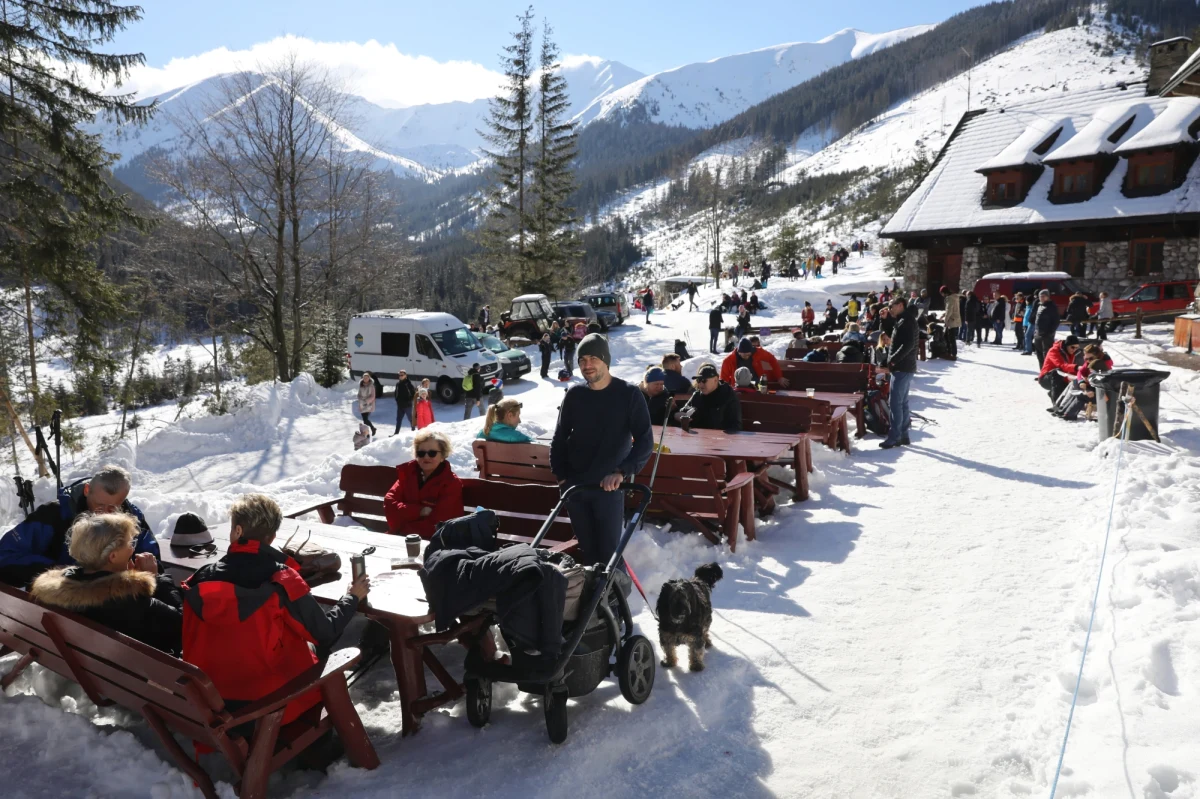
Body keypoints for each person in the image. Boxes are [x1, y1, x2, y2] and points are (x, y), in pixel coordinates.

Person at [182, 494, 368, 726]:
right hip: (270, 706)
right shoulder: (281, 579)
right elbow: (325, 633)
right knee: (317, 646)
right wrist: (352, 597)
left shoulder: (200, 578)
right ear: (271, 537)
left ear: (237, 531)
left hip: (210, 701)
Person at [550, 334, 652, 567]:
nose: (587, 365)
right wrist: (562, 477)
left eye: (593, 358)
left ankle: (615, 591)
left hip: (608, 489)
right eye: (582, 360)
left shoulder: (628, 394)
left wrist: (621, 471)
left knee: (609, 555)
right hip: (575, 488)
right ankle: (592, 592)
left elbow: (645, 441)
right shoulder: (575, 395)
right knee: (588, 554)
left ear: (606, 360)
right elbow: (559, 438)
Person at [31, 513, 183, 655]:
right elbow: (183, 626)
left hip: (81, 666)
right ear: (113, 556)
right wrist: (156, 579)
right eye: (130, 543)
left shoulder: (59, 590)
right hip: (129, 670)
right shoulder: (130, 601)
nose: (133, 549)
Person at [0, 465, 160, 589]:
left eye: (113, 507)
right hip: (61, 601)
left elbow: (152, 561)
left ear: (123, 499)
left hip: (115, 600)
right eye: (99, 505)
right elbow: (5, 554)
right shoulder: (53, 515)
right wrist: (57, 570)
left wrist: (143, 569)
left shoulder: (133, 519)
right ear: (87, 490)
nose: (104, 513)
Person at [384, 430, 464, 537]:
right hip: (400, 536)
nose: (426, 457)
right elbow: (389, 504)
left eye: (432, 453)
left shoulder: (451, 483)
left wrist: (403, 525)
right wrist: (419, 511)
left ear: (442, 456)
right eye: (421, 453)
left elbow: (439, 524)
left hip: (430, 541)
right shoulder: (407, 474)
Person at [878, 297, 918, 449]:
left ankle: (895, 437)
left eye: (891, 306)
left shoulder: (907, 321)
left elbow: (908, 344)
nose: (889, 309)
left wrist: (893, 361)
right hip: (904, 367)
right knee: (902, 403)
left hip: (902, 366)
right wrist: (885, 320)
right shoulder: (903, 320)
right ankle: (903, 435)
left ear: (900, 305)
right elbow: (894, 336)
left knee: (895, 403)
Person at [681, 363, 742, 432]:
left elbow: (735, 426)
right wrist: (680, 415)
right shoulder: (697, 395)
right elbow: (682, 412)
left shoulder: (727, 395)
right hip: (699, 437)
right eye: (698, 380)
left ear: (715, 380)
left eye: (704, 380)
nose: (700, 384)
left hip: (721, 437)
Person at [720, 337, 788, 388]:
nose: (747, 357)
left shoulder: (757, 352)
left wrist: (779, 377)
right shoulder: (729, 360)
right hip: (738, 388)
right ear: (739, 352)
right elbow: (723, 379)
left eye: (748, 355)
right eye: (744, 355)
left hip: (757, 386)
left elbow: (772, 359)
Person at [1037, 335, 1081, 405]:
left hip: (1061, 378)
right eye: (1072, 347)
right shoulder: (1054, 351)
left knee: (1074, 383)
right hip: (1046, 378)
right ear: (1067, 345)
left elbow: (1069, 370)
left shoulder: (1072, 353)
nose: (1074, 349)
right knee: (1057, 372)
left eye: (1076, 347)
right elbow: (1061, 365)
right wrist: (1077, 367)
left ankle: (1056, 396)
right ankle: (1056, 404)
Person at [1033, 289, 1061, 368]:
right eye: (1040, 296)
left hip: (1047, 334)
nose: (1041, 298)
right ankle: (1042, 372)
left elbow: (1056, 321)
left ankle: (1048, 372)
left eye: (1043, 296)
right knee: (1039, 355)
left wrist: (1050, 332)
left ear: (1048, 297)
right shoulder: (1040, 305)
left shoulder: (1052, 307)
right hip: (1038, 333)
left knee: (1047, 355)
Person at [392, 370, 416, 434]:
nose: (400, 376)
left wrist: (408, 400)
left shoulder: (408, 384)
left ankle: (414, 431)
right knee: (398, 419)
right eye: (399, 375)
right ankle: (396, 433)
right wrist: (397, 400)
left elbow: (413, 394)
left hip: (407, 405)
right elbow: (396, 393)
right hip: (400, 405)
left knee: (410, 419)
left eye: (402, 375)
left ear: (405, 375)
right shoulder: (398, 384)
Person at [940, 286, 960, 360]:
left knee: (950, 337)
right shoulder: (954, 297)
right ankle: (949, 352)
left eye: (941, 293)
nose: (941, 295)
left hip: (951, 320)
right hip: (954, 318)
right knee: (947, 336)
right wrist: (943, 315)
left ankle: (952, 354)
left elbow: (949, 310)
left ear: (944, 292)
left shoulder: (949, 298)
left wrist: (945, 320)